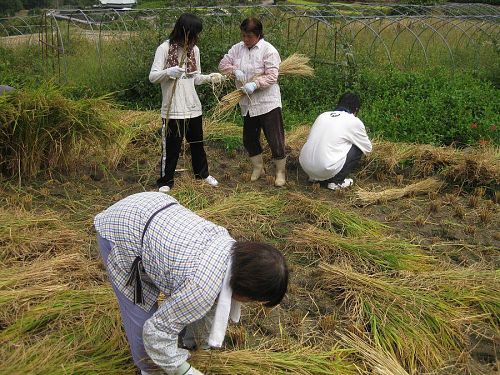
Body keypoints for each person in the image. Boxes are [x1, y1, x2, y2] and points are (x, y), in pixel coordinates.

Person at [94, 192, 289, 375]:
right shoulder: (201, 286)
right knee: (141, 314)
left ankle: (186, 343)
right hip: (122, 230)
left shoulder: (232, 251)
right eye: (254, 299)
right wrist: (184, 371)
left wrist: (199, 344)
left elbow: (206, 308)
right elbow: (156, 332)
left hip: (152, 207)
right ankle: (148, 369)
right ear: (246, 288)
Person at [149, 13, 223, 194]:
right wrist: (168, 72)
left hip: (192, 108)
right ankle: (166, 181)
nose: (195, 38)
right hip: (172, 109)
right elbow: (152, 77)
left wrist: (209, 78)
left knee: (197, 143)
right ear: (184, 32)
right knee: (171, 146)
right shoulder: (165, 49)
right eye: (193, 33)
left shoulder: (194, 50)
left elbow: (194, 78)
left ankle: (202, 174)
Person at [218, 17, 287, 187]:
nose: (245, 40)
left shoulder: (268, 50)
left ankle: (280, 172)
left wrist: (255, 84)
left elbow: (272, 76)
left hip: (266, 101)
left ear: (258, 35)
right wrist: (235, 72)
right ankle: (258, 168)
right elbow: (223, 64)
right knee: (249, 138)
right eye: (243, 36)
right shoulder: (237, 49)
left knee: (275, 138)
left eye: (249, 36)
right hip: (247, 102)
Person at [299, 92, 372, 190]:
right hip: (324, 167)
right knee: (358, 147)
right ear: (356, 109)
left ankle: (315, 178)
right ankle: (337, 181)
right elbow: (368, 148)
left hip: (306, 167)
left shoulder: (323, 115)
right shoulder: (353, 121)